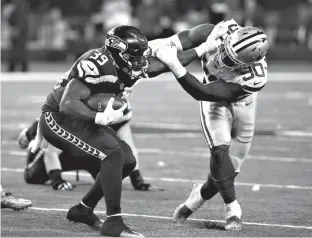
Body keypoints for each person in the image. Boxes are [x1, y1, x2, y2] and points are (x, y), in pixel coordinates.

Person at [31, 25, 209, 237]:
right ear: (117, 53)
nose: (139, 62)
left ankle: (83, 209)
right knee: (113, 154)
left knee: (127, 161)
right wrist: (97, 117)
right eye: (133, 57)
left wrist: (202, 49)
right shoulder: (96, 63)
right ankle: (113, 222)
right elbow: (67, 103)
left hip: (81, 118)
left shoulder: (127, 63)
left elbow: (160, 65)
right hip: (59, 118)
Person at [153, 19, 269, 231]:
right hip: (214, 105)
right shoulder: (214, 32)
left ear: (248, 64)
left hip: (239, 103)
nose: (223, 57)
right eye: (226, 50)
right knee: (219, 153)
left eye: (232, 60)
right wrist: (161, 51)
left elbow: (202, 92)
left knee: (230, 167)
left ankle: (197, 197)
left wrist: (174, 64)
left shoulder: (255, 77)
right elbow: (169, 47)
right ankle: (233, 208)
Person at [18, 106, 159, 191]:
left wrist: (138, 180)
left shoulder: (119, 108)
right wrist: (57, 180)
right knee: (32, 177)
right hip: (64, 151)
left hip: (90, 153)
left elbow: (129, 147)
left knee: (106, 181)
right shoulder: (74, 106)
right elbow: (51, 149)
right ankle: (31, 134)